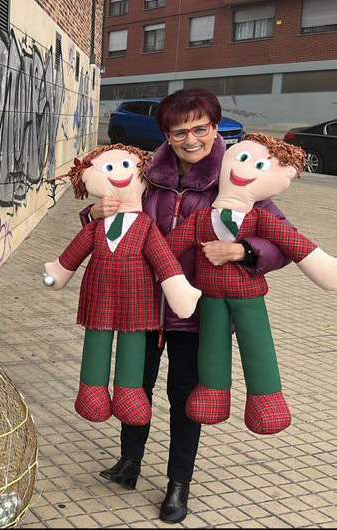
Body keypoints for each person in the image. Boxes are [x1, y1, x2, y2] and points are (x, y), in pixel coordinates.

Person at [84, 89, 291, 523]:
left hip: (196, 315)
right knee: (133, 386)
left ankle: (179, 484)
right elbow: (115, 216)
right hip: (139, 304)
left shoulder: (237, 176)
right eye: (181, 131)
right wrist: (93, 214)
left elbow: (282, 240)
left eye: (201, 128)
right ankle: (130, 463)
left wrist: (244, 252)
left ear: (215, 129)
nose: (191, 139)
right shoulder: (146, 171)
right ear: (167, 134)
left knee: (185, 397)